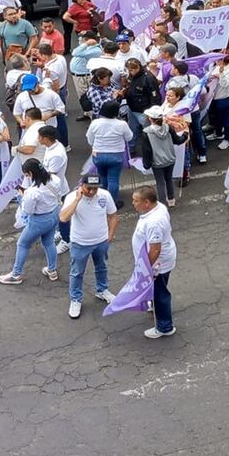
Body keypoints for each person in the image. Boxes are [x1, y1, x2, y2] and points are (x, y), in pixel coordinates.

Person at [60, 174, 117, 319]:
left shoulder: (105, 195)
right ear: (81, 186)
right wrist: (78, 200)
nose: (91, 192)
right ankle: (76, 299)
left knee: (102, 267)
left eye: (95, 189)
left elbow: (113, 215)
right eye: (88, 188)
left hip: (101, 241)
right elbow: (63, 217)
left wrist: (110, 234)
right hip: (80, 243)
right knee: (77, 272)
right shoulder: (72, 197)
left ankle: (102, 290)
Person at [0, 159, 61, 285]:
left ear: (31, 173)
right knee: (49, 242)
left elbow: (28, 211)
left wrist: (22, 196)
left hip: (39, 220)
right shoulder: (55, 179)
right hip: (54, 214)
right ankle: (52, 270)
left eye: (26, 175)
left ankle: (16, 274)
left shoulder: (33, 192)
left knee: (22, 244)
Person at [131, 186, 178, 339]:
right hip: (162, 259)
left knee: (160, 293)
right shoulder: (158, 207)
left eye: (136, 201)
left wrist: (147, 269)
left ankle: (164, 327)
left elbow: (155, 249)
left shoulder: (153, 222)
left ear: (146, 202)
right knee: (157, 289)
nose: (133, 203)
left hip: (158, 264)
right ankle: (155, 306)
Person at [87, 100, 132, 206]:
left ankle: (102, 200)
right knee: (113, 179)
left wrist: (95, 146)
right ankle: (112, 203)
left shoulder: (95, 123)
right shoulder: (122, 124)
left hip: (99, 155)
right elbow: (129, 137)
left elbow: (90, 139)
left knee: (102, 177)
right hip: (116, 155)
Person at [141, 106, 187, 207]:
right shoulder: (168, 127)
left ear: (150, 118)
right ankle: (171, 200)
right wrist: (185, 135)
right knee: (169, 179)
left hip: (157, 162)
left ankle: (162, 203)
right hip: (170, 159)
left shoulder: (146, 132)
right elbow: (178, 140)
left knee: (160, 182)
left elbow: (147, 150)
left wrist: (146, 164)